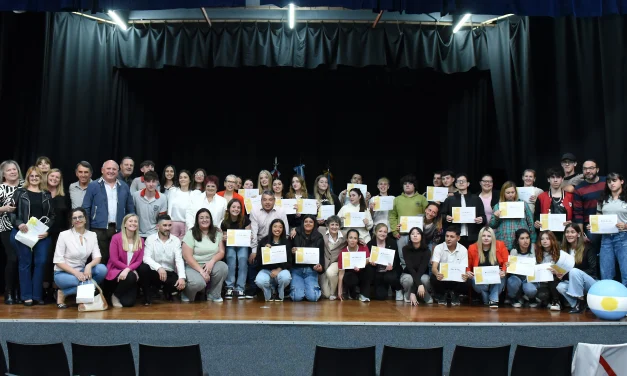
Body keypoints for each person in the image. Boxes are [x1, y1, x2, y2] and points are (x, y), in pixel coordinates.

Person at [10, 166, 55, 306]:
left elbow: (52, 215)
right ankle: (26, 296)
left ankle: (37, 295)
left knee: (40, 263)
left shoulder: (46, 194)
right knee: (25, 263)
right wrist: (19, 224)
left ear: (41, 178)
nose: (34, 178)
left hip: (41, 234)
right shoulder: (19, 192)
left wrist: (48, 231)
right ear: (28, 177)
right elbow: (11, 212)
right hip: (23, 232)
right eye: (32, 176)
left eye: (37, 176)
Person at [83, 160, 135, 266]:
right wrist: (86, 230)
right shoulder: (93, 185)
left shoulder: (124, 186)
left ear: (117, 171)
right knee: (100, 259)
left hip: (119, 229)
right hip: (98, 228)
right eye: (108, 168)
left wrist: (131, 225)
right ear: (102, 170)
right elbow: (86, 208)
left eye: (114, 169)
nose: (111, 171)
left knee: (117, 259)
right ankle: (100, 282)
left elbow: (130, 208)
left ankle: (113, 281)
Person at [53, 208, 107, 309]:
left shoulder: (92, 235)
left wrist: (88, 266)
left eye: (80, 217)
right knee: (86, 281)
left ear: (85, 219)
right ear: (72, 222)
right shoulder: (64, 235)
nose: (78, 219)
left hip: (82, 271)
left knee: (102, 269)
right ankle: (84, 302)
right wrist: (76, 273)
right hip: (63, 274)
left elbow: (97, 256)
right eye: (74, 218)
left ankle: (63, 293)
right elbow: (58, 261)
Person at [248, 191, 289, 299]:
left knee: (284, 272)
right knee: (253, 260)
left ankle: (279, 289)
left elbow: (286, 230)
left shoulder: (281, 210)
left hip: (279, 242)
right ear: (261, 201)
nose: (267, 202)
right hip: (261, 243)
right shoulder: (255, 210)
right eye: (265, 199)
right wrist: (254, 251)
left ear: (274, 201)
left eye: (270, 200)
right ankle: (256, 289)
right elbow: (254, 232)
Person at [138, 215, 186, 305]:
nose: (167, 228)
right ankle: (147, 297)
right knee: (143, 268)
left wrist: (182, 278)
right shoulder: (150, 239)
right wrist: (159, 267)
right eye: (164, 225)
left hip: (169, 273)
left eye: (169, 225)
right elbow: (146, 258)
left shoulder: (176, 240)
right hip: (154, 272)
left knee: (179, 284)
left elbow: (179, 260)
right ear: (157, 227)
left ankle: (166, 291)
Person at [182, 208, 227, 302]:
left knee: (223, 267)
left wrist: (212, 261)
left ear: (210, 219)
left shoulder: (217, 232)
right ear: (197, 220)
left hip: (210, 264)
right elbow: (187, 256)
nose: (204, 220)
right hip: (193, 266)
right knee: (198, 284)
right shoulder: (191, 233)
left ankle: (214, 294)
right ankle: (187, 293)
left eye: (207, 217)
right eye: (201, 218)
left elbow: (221, 252)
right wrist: (201, 271)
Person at [556, 224, 598, 313]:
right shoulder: (563, 250)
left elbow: (592, 269)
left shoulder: (588, 247)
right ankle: (577, 305)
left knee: (574, 271)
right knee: (560, 287)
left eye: (572, 232)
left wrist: (570, 273)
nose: (569, 234)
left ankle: (581, 299)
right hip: (573, 283)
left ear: (578, 234)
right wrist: (559, 274)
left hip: (590, 282)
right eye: (567, 232)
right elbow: (565, 272)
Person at [594, 172, 627, 286]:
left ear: (621, 181)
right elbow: (598, 217)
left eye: (614, 180)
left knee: (626, 271)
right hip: (606, 238)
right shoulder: (603, 199)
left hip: (624, 237)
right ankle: (608, 300)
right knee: (606, 272)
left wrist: (626, 225)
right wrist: (594, 225)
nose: (611, 184)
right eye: (609, 182)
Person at [105, 214, 144, 307]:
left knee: (128, 303)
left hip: (129, 273)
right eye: (130, 221)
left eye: (135, 221)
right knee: (131, 276)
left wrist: (128, 269)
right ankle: (115, 296)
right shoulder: (116, 238)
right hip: (116, 270)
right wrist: (129, 269)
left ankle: (118, 293)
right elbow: (114, 259)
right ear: (125, 224)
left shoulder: (140, 240)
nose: (133, 223)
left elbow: (139, 261)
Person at [388, 174, 428, 266]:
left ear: (414, 185)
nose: (407, 185)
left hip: (418, 235)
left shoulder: (422, 198)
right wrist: (394, 231)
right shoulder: (397, 199)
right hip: (401, 234)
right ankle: (406, 277)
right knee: (403, 257)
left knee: (419, 257)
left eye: (410, 183)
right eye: (405, 183)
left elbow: (427, 215)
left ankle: (417, 276)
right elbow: (392, 216)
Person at [442, 173, 487, 249]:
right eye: (459, 181)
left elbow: (484, 217)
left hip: (473, 236)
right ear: (455, 184)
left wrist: (481, 219)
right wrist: (446, 217)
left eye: (463, 181)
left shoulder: (476, 199)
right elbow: (442, 215)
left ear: (468, 184)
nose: (461, 183)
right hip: (455, 236)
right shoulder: (449, 199)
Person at [0, 160, 24, 304]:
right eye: (9, 170)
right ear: (3, 173)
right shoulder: (1, 188)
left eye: (14, 169)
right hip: (7, 227)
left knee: (24, 259)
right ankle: (9, 291)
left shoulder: (25, 185)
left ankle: (20, 291)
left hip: (25, 228)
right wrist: (4, 209)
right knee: (12, 258)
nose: (13, 172)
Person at [466, 227, 508, 308]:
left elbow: (506, 262)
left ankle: (492, 299)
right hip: (481, 280)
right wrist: (468, 271)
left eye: (489, 236)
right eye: (483, 236)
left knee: (502, 276)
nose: (486, 238)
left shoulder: (500, 245)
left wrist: (504, 271)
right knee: (474, 279)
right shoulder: (472, 247)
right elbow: (468, 265)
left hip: (495, 280)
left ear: (492, 237)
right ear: (480, 237)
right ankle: (490, 299)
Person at [45, 168, 70, 302]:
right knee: (45, 262)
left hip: (60, 234)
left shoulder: (64, 195)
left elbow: (68, 216)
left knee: (58, 262)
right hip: (43, 233)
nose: (54, 179)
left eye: (57, 177)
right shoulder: (42, 193)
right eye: (52, 176)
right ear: (47, 177)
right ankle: (45, 289)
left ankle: (56, 290)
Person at [573, 159, 606, 256]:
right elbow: (578, 214)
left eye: (591, 168)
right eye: (585, 169)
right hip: (591, 227)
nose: (588, 171)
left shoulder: (607, 182)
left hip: (610, 223)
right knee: (592, 254)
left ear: (597, 169)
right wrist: (581, 234)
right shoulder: (578, 188)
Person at [489, 181, 536, 249]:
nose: (510, 195)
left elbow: (531, 223)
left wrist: (533, 240)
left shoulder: (523, 204)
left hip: (521, 242)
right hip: (504, 241)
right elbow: (492, 225)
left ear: (516, 192)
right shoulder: (498, 206)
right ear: (503, 193)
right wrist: (496, 217)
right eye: (508, 193)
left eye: (512, 192)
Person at [255, 219, 292, 301]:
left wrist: (279, 269)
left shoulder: (286, 242)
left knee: (285, 277)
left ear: (283, 229)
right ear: (271, 228)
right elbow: (259, 262)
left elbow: (289, 262)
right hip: (266, 270)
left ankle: (280, 292)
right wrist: (264, 251)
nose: (277, 229)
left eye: (280, 227)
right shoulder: (264, 241)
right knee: (260, 281)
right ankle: (270, 292)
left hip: (281, 270)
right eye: (275, 227)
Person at [220, 199, 251, 299]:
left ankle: (240, 288)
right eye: (233, 207)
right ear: (229, 209)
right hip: (231, 245)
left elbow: (248, 234)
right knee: (230, 259)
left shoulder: (245, 219)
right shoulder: (224, 222)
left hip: (243, 245)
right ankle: (229, 287)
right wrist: (224, 238)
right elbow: (224, 237)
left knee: (242, 260)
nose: (236, 209)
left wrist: (247, 238)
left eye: (238, 207)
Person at [430, 226, 469, 306]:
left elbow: (464, 269)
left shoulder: (463, 249)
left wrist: (465, 275)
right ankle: (442, 294)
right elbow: (434, 267)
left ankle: (455, 294)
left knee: (467, 280)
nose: (448, 239)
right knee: (433, 277)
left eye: (452, 237)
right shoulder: (438, 248)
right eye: (447, 236)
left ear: (458, 238)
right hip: (442, 278)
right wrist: (437, 273)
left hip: (456, 279)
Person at [289, 215, 324, 301]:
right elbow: (287, 250)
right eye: (306, 221)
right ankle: (302, 289)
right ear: (302, 223)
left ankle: (305, 289)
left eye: (311, 222)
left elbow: (321, 256)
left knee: (313, 297)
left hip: (311, 271)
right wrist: (291, 251)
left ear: (314, 223)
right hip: (296, 270)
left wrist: (320, 268)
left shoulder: (319, 237)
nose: (308, 223)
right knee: (296, 298)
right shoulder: (295, 234)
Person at [533, 168, 574, 242]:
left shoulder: (570, 197)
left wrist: (572, 223)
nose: (555, 180)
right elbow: (536, 216)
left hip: (566, 236)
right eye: (552, 177)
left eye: (558, 177)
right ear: (548, 179)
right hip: (547, 237)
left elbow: (576, 216)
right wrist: (536, 223)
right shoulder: (541, 197)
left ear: (562, 179)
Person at [337, 229, 374, 302]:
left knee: (369, 268)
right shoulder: (343, 253)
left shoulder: (363, 247)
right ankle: (351, 292)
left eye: (355, 238)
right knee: (348, 278)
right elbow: (341, 274)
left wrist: (360, 266)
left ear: (358, 240)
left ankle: (364, 294)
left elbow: (368, 259)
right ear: (347, 239)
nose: (352, 240)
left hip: (362, 272)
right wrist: (339, 291)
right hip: (350, 274)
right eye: (350, 238)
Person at [367, 223, 402, 301]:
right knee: (380, 297)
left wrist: (392, 265)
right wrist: (371, 262)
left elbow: (396, 259)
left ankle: (397, 289)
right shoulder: (370, 244)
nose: (382, 234)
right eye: (380, 231)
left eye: (385, 232)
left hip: (389, 271)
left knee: (391, 277)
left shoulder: (392, 243)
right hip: (377, 272)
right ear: (375, 232)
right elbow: (367, 258)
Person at [400, 227, 432, 305]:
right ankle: (407, 294)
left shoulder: (427, 251)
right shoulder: (405, 249)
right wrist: (419, 285)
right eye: (412, 234)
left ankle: (416, 293)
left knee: (425, 279)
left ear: (422, 236)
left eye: (418, 233)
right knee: (408, 279)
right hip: (408, 273)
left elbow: (421, 270)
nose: (415, 235)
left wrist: (413, 291)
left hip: (422, 274)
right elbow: (410, 269)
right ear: (409, 237)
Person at [506, 229, 538, 308]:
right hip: (517, 277)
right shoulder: (514, 251)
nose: (525, 241)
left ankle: (531, 298)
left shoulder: (533, 249)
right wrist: (508, 265)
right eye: (522, 238)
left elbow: (535, 267)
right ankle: (513, 298)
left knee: (531, 289)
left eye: (527, 238)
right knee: (513, 281)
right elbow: (512, 271)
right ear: (517, 240)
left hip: (529, 278)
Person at [318, 215, 347, 300]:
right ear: (327, 225)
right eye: (332, 224)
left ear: (340, 226)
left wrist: (360, 239)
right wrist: (295, 229)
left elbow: (354, 235)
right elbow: (307, 228)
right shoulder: (321, 230)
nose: (334, 227)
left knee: (330, 272)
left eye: (337, 225)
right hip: (325, 262)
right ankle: (330, 292)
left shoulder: (344, 234)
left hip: (336, 261)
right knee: (326, 295)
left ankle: (333, 292)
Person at [132, 171, 168, 239]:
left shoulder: (163, 198)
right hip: (137, 233)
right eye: (148, 181)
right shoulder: (135, 195)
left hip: (154, 234)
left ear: (157, 182)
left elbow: (162, 219)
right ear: (144, 182)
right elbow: (131, 215)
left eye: (153, 181)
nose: (151, 184)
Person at [535, 230, 562, 311]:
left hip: (556, 279)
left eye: (547, 238)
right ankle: (546, 300)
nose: (544, 241)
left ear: (552, 240)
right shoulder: (537, 252)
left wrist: (556, 271)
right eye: (542, 239)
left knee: (553, 282)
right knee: (542, 295)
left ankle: (556, 301)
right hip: (542, 280)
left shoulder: (559, 252)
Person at [167, 170, 193, 240]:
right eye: (180, 177)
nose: (182, 179)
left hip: (187, 225)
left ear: (190, 180)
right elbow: (169, 208)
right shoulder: (173, 191)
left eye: (185, 177)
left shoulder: (194, 194)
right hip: (173, 224)